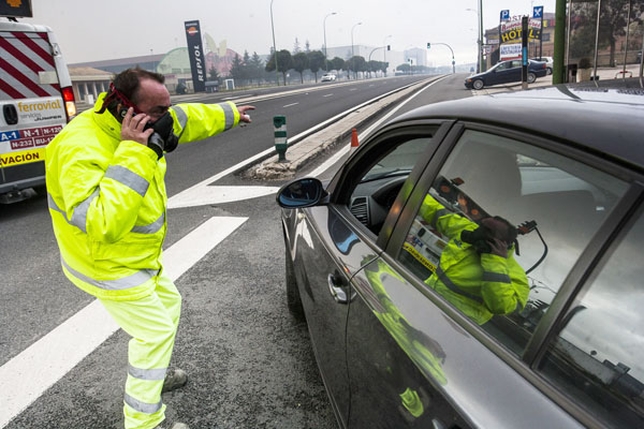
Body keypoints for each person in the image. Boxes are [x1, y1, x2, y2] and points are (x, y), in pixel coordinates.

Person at [45, 67, 255, 429]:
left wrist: (231, 114)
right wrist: (132, 152)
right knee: (155, 331)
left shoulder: (145, 122)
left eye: (165, 108)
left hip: (136, 256)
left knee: (169, 305)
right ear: (124, 108)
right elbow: (102, 224)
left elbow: (186, 118)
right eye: (158, 113)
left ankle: (152, 376)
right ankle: (144, 422)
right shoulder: (79, 147)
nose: (166, 120)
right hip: (104, 261)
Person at [419, 193, 529, 325]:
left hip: (453, 325)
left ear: (501, 243)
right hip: (423, 298)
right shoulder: (468, 230)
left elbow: (501, 306)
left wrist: (495, 261)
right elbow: (437, 213)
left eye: (486, 231)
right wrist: (413, 190)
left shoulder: (515, 275)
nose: (476, 232)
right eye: (480, 226)